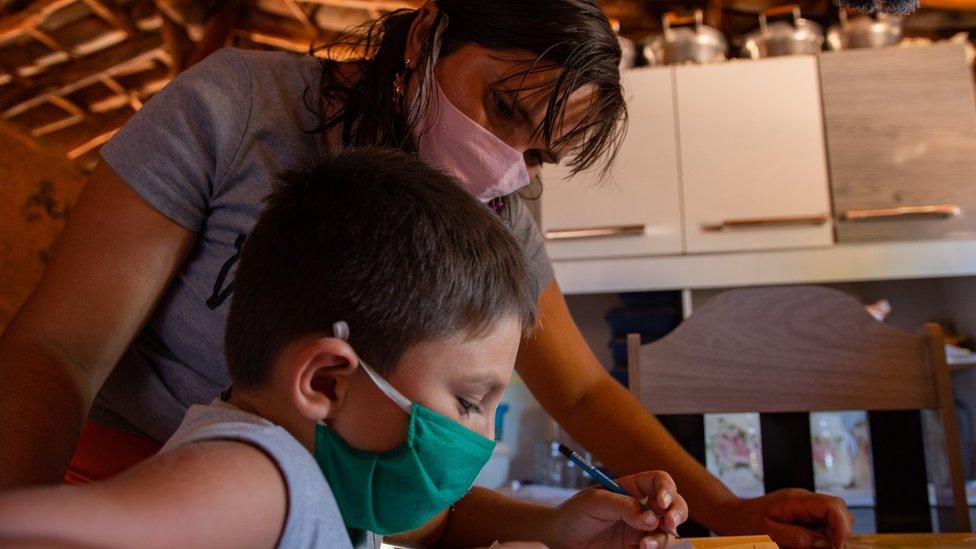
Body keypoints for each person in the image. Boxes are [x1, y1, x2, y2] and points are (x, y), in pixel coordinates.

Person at [0, 1, 852, 547]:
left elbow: (579, 396)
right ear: (425, 36)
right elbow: (58, 350)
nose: (505, 160)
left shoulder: (499, 214)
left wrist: (723, 510)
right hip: (111, 485)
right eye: (503, 107)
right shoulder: (238, 112)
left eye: (539, 151)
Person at [0, 148, 687, 549]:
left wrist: (560, 529)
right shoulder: (255, 477)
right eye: (472, 400)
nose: (485, 434)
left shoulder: (320, 482)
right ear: (328, 380)